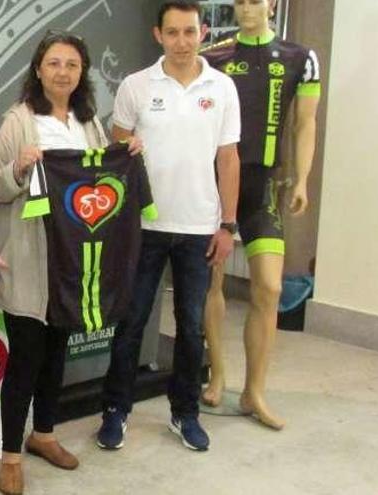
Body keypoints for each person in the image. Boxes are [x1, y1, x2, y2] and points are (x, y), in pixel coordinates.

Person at [0, 31, 143, 494]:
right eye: (54, 63)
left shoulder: (89, 122)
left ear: (82, 73)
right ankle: (11, 456)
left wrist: (127, 154)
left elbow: (102, 174)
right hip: (32, 260)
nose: (62, 72)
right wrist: (18, 168)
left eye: (72, 65)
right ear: (38, 69)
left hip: (73, 260)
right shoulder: (19, 120)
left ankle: (44, 434)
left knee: (57, 354)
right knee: (26, 358)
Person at [97, 0, 241, 453]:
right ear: (158, 35)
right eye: (173, 32)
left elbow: (228, 159)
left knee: (191, 325)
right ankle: (115, 411)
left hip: (200, 226)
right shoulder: (136, 87)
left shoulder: (221, 87)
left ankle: (186, 413)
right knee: (131, 322)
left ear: (203, 34)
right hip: (143, 225)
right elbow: (115, 152)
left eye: (190, 32)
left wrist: (227, 225)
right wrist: (126, 147)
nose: (182, 41)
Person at [201, 0, 321, 430]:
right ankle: (217, 372)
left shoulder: (300, 58)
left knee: (269, 288)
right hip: (217, 190)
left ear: (271, 4)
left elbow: (305, 123)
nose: (247, 7)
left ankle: (255, 391)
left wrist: (303, 179)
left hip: (264, 189)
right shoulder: (212, 58)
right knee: (210, 284)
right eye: (240, 0)